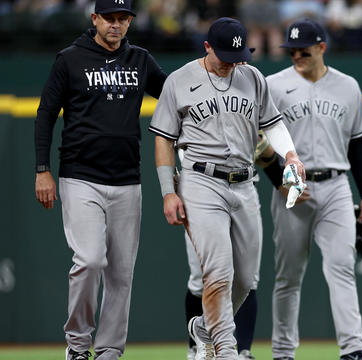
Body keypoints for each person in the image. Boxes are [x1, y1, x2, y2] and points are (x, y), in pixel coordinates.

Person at [149, 17, 305, 360]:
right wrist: (168, 191)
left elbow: (272, 123)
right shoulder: (180, 80)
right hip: (199, 181)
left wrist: (290, 154)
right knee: (218, 272)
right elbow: (163, 139)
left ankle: (205, 327)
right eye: (224, 56)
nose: (232, 63)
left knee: (247, 280)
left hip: (244, 181)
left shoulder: (251, 77)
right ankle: (226, 350)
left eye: (237, 55)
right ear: (207, 47)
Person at [33, 0, 166, 359]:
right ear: (94, 19)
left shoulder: (139, 59)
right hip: (81, 176)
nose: (117, 25)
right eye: (110, 18)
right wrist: (41, 169)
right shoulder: (70, 59)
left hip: (127, 179)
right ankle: (77, 346)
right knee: (90, 260)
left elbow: (172, 94)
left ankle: (109, 351)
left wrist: (209, 72)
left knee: (121, 273)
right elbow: (46, 114)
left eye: (124, 19)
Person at [265, 18, 362, 360]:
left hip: (336, 183)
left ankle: (354, 349)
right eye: (292, 50)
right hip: (292, 185)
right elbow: (259, 141)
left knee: (342, 267)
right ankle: (283, 352)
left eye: (303, 50)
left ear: (321, 48)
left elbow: (359, 146)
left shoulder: (347, 86)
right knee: (289, 275)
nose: (296, 55)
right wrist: (280, 178)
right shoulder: (274, 85)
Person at [182, 134, 283, 360]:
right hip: (199, 189)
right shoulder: (187, 102)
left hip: (243, 185)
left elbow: (261, 145)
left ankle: (242, 350)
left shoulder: (244, 100)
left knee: (247, 278)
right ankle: (197, 348)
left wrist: (280, 178)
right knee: (202, 277)